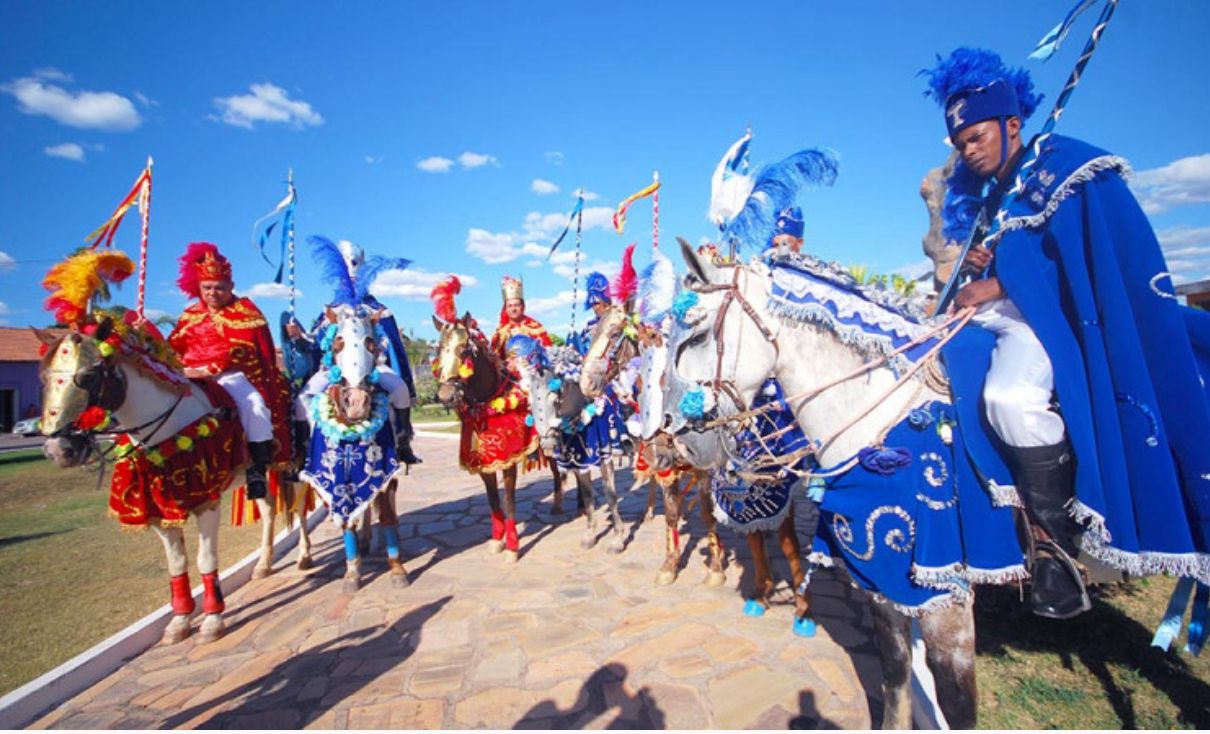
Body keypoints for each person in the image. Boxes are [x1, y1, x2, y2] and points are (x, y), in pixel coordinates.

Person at [925, 48, 1210, 618]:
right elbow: (1026, 256)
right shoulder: (1000, 198)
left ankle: (1059, 550)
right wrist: (987, 263)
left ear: (1012, 124)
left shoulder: (1068, 167)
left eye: (976, 136)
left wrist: (1000, 283)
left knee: (1010, 399)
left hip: (1059, 324)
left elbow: (1085, 265)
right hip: (1013, 316)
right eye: (959, 145)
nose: (969, 151)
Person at [168, 242, 292, 500]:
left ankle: (257, 469)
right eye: (207, 288)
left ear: (230, 287)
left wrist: (212, 367)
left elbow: (249, 349)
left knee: (255, 406)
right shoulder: (188, 315)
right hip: (189, 375)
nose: (213, 293)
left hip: (230, 376)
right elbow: (173, 347)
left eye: (219, 287)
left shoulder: (246, 311)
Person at [284, 237, 421, 464]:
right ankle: (304, 451)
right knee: (302, 399)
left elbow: (390, 342)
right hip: (334, 369)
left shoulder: (379, 311)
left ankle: (403, 442)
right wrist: (299, 337)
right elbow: (316, 342)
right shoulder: (331, 311)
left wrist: (376, 348)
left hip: (373, 367)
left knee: (400, 389)